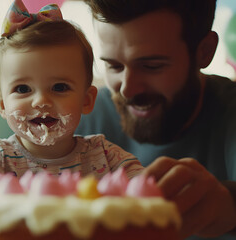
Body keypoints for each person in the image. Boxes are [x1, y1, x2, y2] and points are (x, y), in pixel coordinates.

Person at [0, 0, 144, 201]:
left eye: (59, 87)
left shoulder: (106, 156)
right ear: (2, 105)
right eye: (23, 89)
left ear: (86, 100)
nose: (41, 101)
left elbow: (146, 186)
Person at [76, 0, 236, 239]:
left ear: (204, 51)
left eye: (151, 66)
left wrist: (230, 203)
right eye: (114, 66)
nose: (127, 90)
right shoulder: (80, 117)